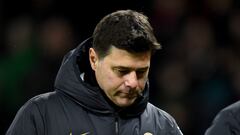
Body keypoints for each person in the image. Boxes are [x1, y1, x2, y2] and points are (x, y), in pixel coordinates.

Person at [6, 9, 183, 135]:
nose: (133, 82)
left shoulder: (163, 125)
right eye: (122, 70)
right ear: (93, 59)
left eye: (141, 72)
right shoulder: (40, 115)